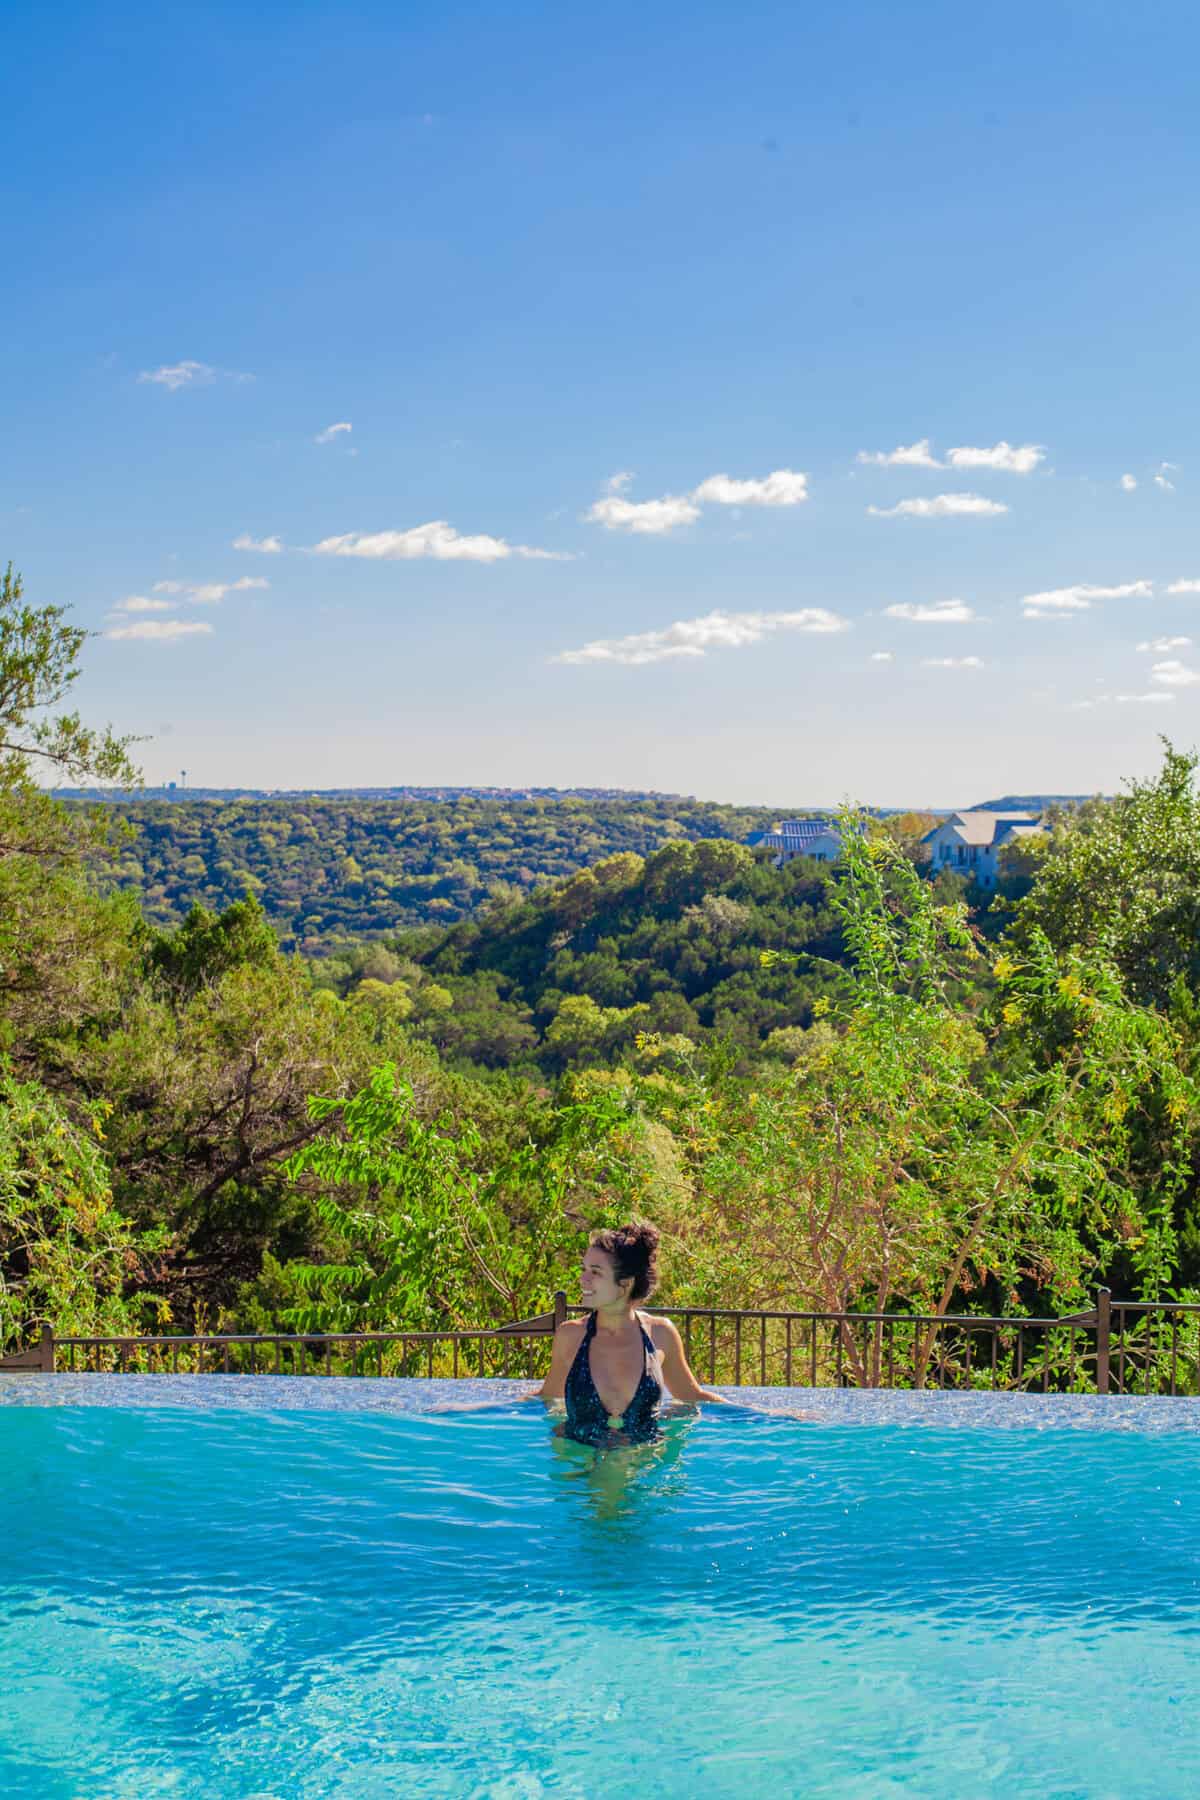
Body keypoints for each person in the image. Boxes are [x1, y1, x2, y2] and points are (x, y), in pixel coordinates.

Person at [538, 1222, 728, 1447]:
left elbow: (691, 1396)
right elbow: (548, 1396)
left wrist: (752, 1414)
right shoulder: (570, 1335)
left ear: (625, 1284)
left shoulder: (661, 1334)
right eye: (584, 1269)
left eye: (595, 1272)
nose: (583, 1279)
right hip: (579, 1461)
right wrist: (500, 1410)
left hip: (644, 1460)